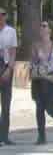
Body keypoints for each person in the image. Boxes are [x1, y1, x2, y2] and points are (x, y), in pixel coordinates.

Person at [30, 21, 53, 145]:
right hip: (39, 79)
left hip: (51, 79)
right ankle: (41, 137)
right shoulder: (36, 45)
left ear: (49, 30)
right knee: (39, 108)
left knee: (49, 109)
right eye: (40, 26)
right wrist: (34, 69)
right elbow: (33, 62)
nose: (41, 28)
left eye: (44, 26)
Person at [0, 9, 17, 146]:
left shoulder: (11, 31)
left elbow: (13, 52)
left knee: (6, 105)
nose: (1, 17)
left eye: (3, 14)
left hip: (5, 66)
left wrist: (9, 70)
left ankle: (4, 136)